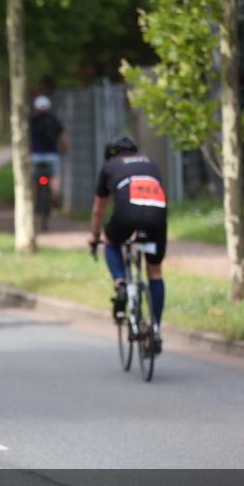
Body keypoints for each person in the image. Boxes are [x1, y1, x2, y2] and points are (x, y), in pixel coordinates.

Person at [89, 136, 168, 355]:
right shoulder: (151, 162)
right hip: (156, 214)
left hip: (126, 214)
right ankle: (155, 329)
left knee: (111, 243)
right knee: (154, 271)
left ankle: (121, 282)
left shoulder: (109, 166)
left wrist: (95, 236)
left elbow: (98, 209)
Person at [29, 95, 68, 203]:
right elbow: (62, 136)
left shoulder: (32, 121)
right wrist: (64, 148)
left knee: (32, 177)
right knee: (55, 176)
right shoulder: (54, 120)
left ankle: (32, 197)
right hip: (52, 155)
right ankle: (54, 193)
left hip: (35, 155)